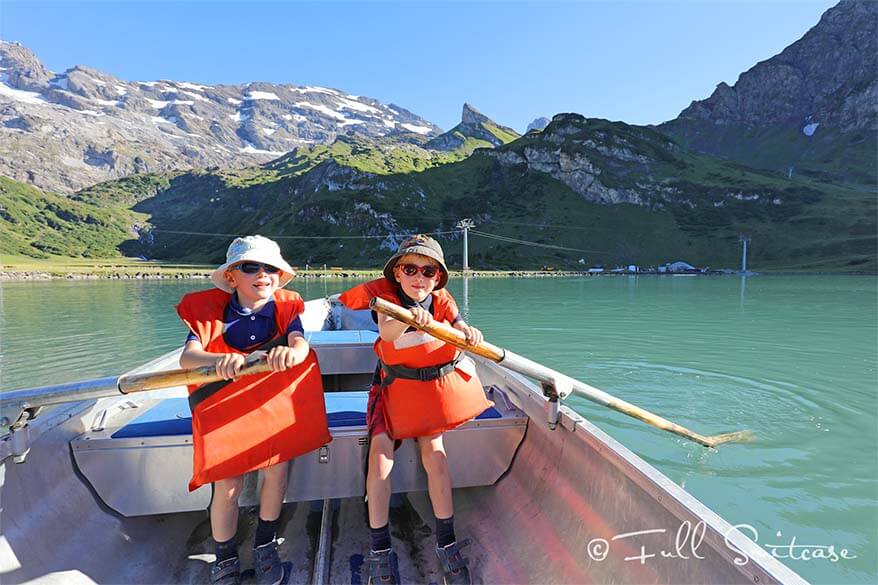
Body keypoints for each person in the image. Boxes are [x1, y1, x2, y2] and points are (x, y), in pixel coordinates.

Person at [177, 235, 331, 585]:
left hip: (270, 406)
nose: (263, 274)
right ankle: (225, 555)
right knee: (228, 486)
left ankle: (264, 544)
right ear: (232, 276)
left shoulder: (287, 309)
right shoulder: (210, 314)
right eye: (251, 267)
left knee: (277, 474)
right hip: (225, 410)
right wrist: (220, 361)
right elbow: (188, 357)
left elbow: (300, 345)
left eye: (270, 268)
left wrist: (290, 353)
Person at [339, 235, 492, 585]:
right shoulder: (387, 302)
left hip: (427, 395)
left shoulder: (442, 302)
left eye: (428, 271)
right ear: (397, 272)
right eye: (410, 268)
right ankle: (380, 548)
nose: (419, 276)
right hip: (392, 392)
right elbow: (389, 333)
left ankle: (446, 543)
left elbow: (458, 326)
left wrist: (469, 332)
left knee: (435, 455)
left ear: (437, 278)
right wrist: (412, 318)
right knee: (380, 456)